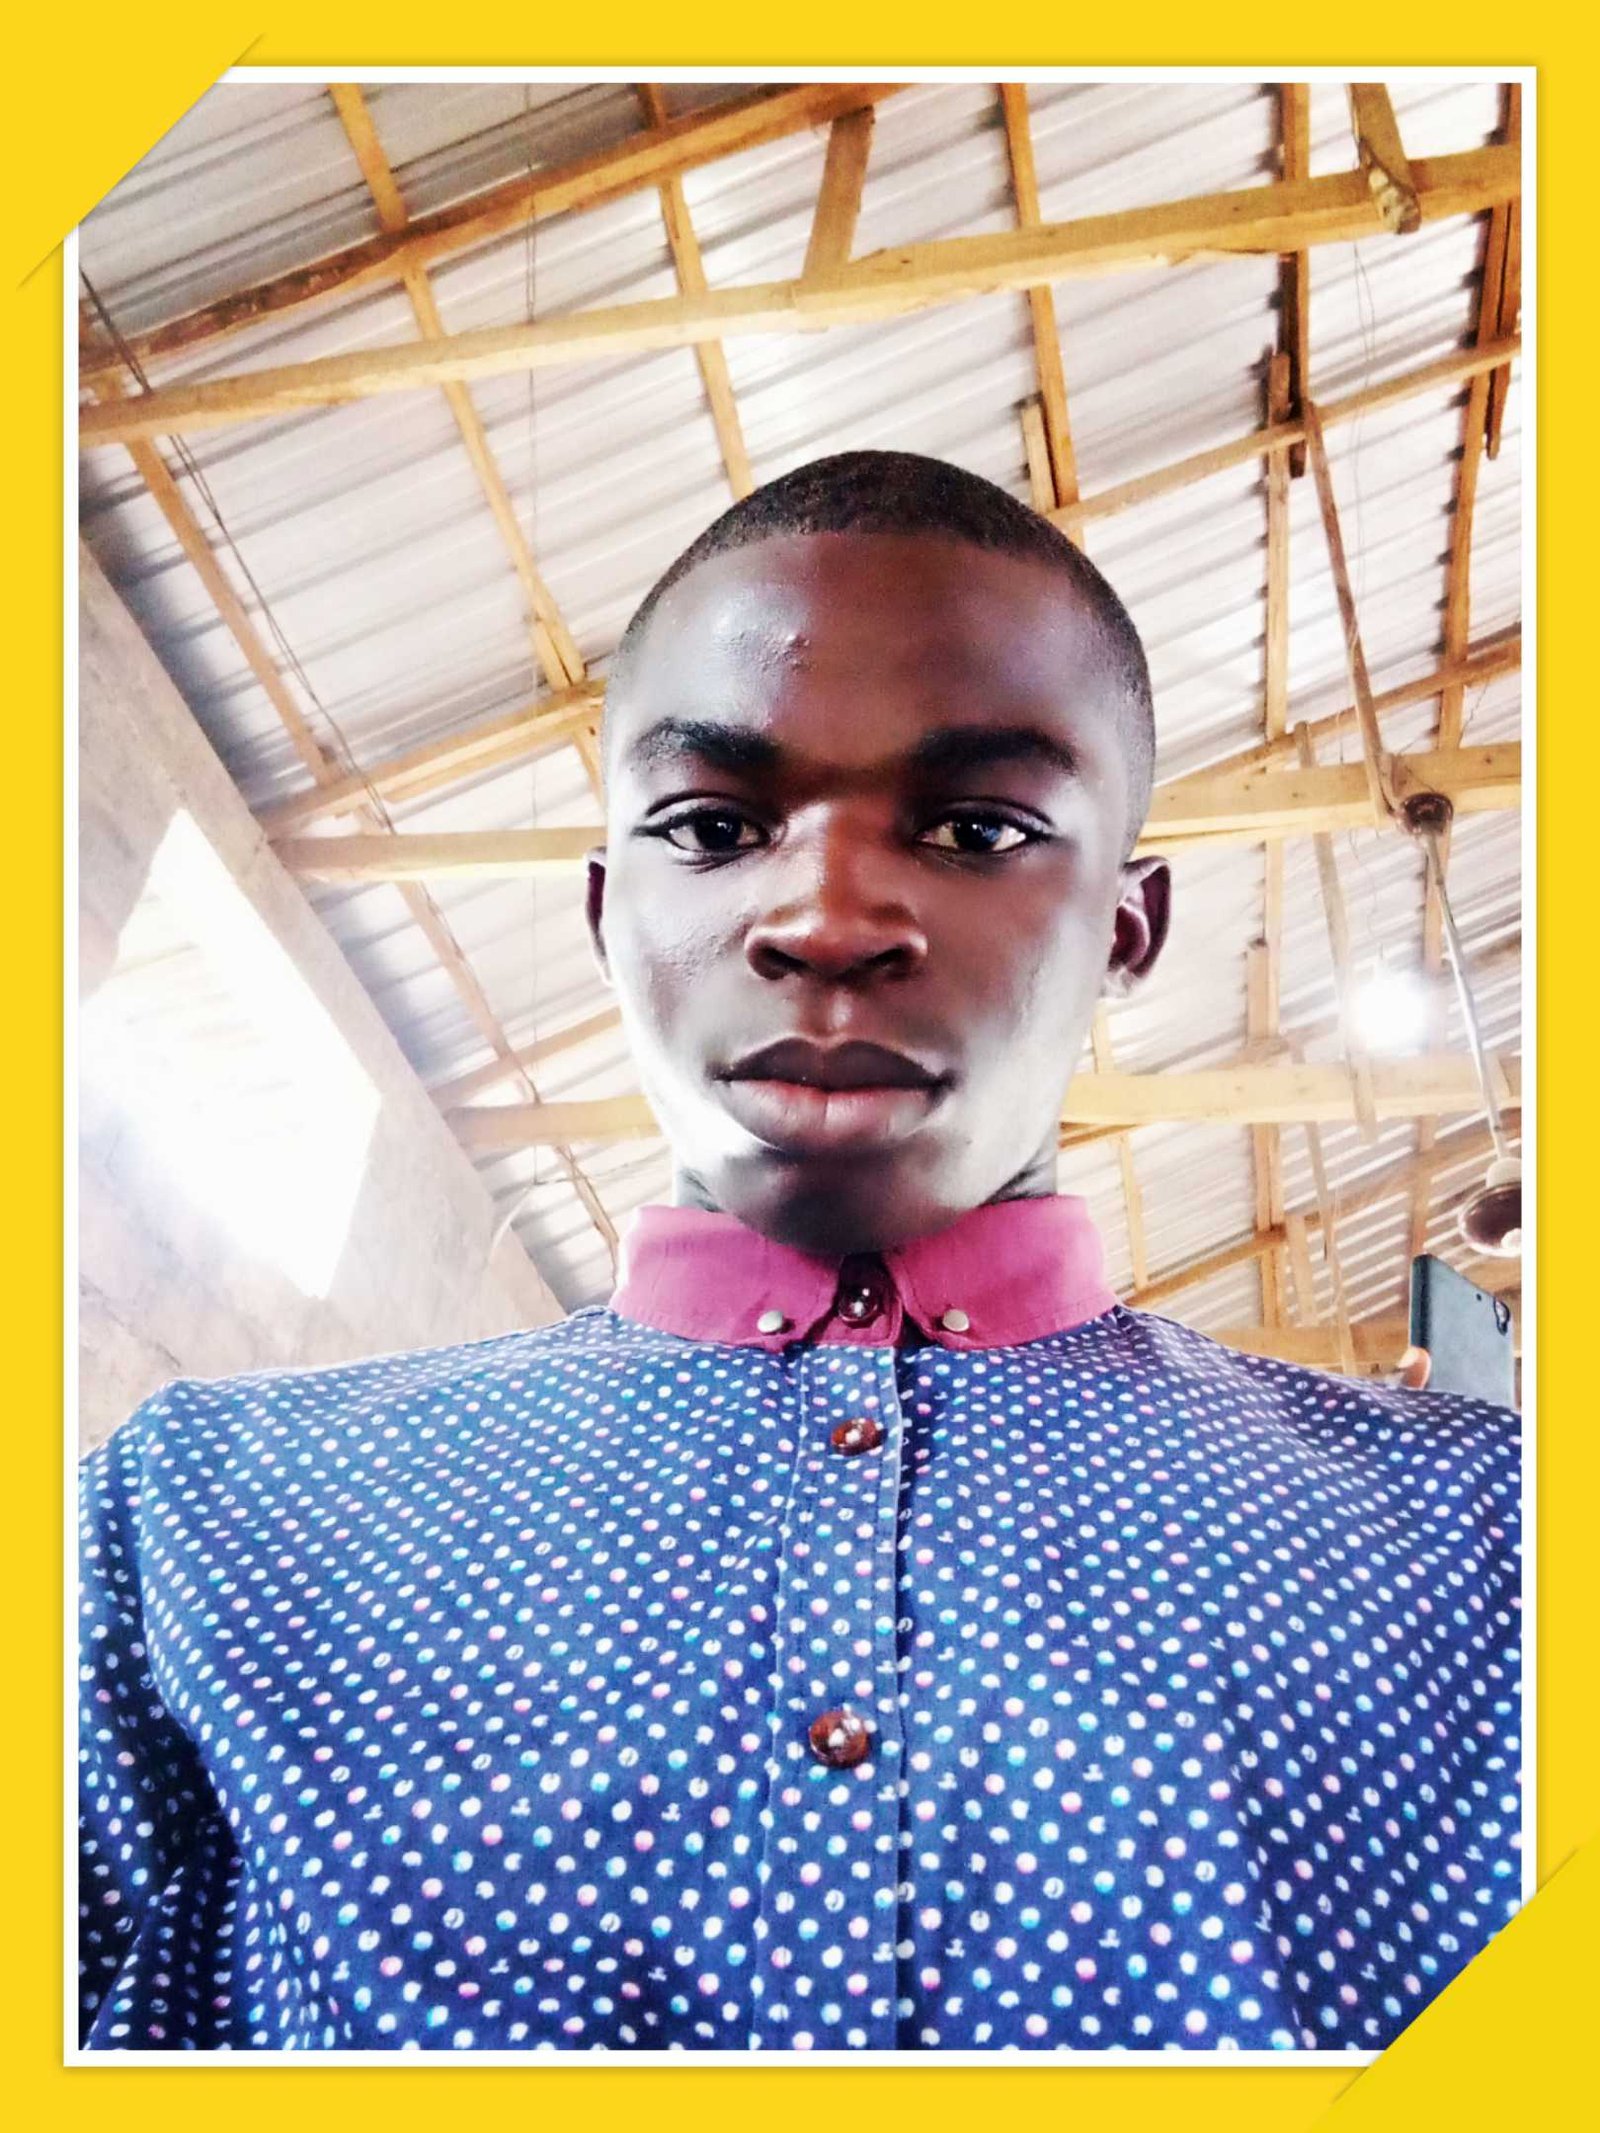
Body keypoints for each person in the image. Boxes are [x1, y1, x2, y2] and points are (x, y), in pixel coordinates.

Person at [78, 451, 1521, 2054]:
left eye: (976, 826)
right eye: (712, 825)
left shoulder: (1497, 1547)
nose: (828, 917)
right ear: (607, 910)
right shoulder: (199, 1520)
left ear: (1128, 925)